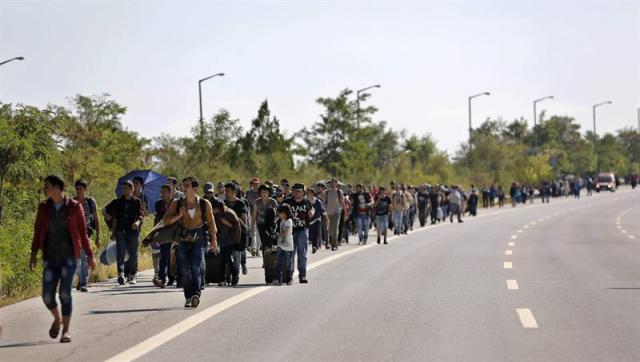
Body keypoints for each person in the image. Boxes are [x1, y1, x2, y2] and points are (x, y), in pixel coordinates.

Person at [30, 175, 97, 343]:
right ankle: (57, 318)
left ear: (57, 188)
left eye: (47, 186)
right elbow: (38, 231)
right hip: (50, 258)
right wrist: (33, 253)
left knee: (65, 294)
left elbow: (82, 233)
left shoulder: (74, 207)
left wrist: (90, 255)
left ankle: (66, 331)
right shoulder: (44, 208)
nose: (44, 189)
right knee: (47, 296)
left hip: (69, 258)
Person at [163, 177, 218, 307]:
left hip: (199, 238)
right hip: (183, 238)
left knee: (196, 267)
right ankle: (188, 297)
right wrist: (178, 215)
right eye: (183, 186)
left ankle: (196, 294)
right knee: (184, 269)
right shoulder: (177, 204)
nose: (183, 188)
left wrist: (214, 240)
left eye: (187, 186)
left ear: (194, 188)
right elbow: (166, 220)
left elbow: (211, 223)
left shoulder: (204, 204)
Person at [106, 180, 144, 285]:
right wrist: (112, 231)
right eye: (123, 188)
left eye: (126, 188)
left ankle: (132, 275)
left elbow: (141, 215)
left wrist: (137, 222)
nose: (124, 190)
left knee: (133, 254)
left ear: (132, 189)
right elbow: (114, 218)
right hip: (120, 231)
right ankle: (121, 274)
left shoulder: (137, 201)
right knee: (121, 252)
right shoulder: (118, 202)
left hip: (133, 231)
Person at [282, 183, 314, 283]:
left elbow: (312, 209)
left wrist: (312, 212)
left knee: (302, 254)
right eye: (295, 191)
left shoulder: (306, 202)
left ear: (303, 192)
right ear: (292, 191)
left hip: (303, 230)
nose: (297, 193)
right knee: (290, 254)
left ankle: (302, 275)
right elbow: (279, 212)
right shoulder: (287, 202)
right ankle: (289, 276)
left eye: (300, 191)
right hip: (289, 231)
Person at [72, 179, 100, 292]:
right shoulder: (72, 201)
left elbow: (96, 219)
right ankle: (81, 278)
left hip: (86, 231)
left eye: (81, 188)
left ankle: (83, 282)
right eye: (77, 188)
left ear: (85, 189)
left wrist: (98, 236)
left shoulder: (90, 201)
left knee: (83, 257)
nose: (78, 191)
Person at [209, 197, 241, 286]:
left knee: (227, 257)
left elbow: (237, 227)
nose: (212, 210)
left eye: (213, 209)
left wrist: (227, 223)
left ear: (218, 208)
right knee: (222, 260)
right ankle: (222, 279)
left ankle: (235, 274)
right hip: (222, 239)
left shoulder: (229, 213)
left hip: (231, 239)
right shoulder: (215, 215)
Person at [225, 183, 249, 275]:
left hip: (239, 232)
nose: (226, 193)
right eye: (225, 191)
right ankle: (232, 274)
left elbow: (244, 218)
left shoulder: (240, 203)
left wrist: (244, 230)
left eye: (228, 191)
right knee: (227, 255)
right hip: (227, 233)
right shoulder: (224, 203)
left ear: (234, 192)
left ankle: (238, 272)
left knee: (238, 254)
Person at [152, 184, 174, 288]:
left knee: (173, 256)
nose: (162, 194)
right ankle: (162, 278)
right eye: (161, 192)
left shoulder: (176, 203)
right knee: (164, 255)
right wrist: (154, 232)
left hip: (175, 231)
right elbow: (157, 219)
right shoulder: (158, 204)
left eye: (164, 192)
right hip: (163, 232)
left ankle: (172, 277)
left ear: (170, 193)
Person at [253, 185, 279, 254]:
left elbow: (278, 213)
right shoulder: (257, 202)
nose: (264, 194)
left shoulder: (273, 201)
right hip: (261, 224)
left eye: (266, 192)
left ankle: (273, 260)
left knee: (273, 241)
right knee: (264, 242)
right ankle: (265, 261)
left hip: (271, 224)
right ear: (260, 193)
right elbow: (254, 215)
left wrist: (275, 221)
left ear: (268, 193)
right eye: (262, 192)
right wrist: (252, 227)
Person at [275, 204, 294, 285]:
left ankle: (289, 278)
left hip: (288, 246)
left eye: (280, 213)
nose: (279, 215)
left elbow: (286, 233)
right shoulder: (282, 220)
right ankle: (279, 279)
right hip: (280, 245)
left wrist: (277, 234)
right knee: (279, 262)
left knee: (288, 263)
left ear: (285, 213)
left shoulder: (289, 221)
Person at [323, 179, 344, 251]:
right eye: (331, 183)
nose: (332, 184)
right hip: (328, 212)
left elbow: (342, 202)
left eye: (334, 183)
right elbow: (324, 203)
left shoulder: (339, 192)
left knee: (335, 228)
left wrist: (343, 211)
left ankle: (334, 245)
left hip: (336, 212)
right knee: (330, 230)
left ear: (336, 184)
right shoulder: (327, 192)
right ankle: (333, 242)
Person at [307, 188, 328, 253]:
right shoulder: (305, 201)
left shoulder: (317, 201)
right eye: (308, 193)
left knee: (316, 233)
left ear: (313, 194)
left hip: (317, 219)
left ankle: (314, 246)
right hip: (308, 221)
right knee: (311, 234)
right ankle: (315, 244)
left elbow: (323, 211)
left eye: (310, 193)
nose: (308, 194)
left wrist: (327, 219)